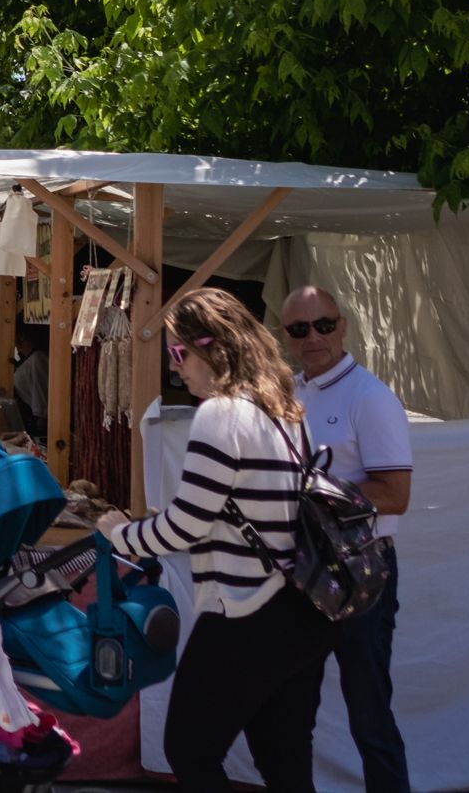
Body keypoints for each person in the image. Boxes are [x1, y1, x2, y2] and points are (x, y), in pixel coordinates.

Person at [95, 288, 334, 793]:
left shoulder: (221, 414)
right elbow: (238, 515)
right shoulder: (287, 414)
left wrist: (122, 534)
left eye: (179, 353)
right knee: (285, 766)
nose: (176, 368)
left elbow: (186, 524)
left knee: (189, 751)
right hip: (301, 613)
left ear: (214, 348)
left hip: (245, 615)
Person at [280, 285, 412, 793]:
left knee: (368, 715)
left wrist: (312, 490)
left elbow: (395, 494)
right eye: (299, 329)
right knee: (292, 712)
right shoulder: (290, 392)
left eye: (324, 324)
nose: (314, 337)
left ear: (344, 326)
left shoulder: (371, 398)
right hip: (303, 568)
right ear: (287, 337)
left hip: (362, 572)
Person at [12, 333, 50, 438]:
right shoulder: (31, 360)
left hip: (43, 419)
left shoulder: (37, 359)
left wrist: (41, 417)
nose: (19, 348)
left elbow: (40, 395)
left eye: (21, 340)